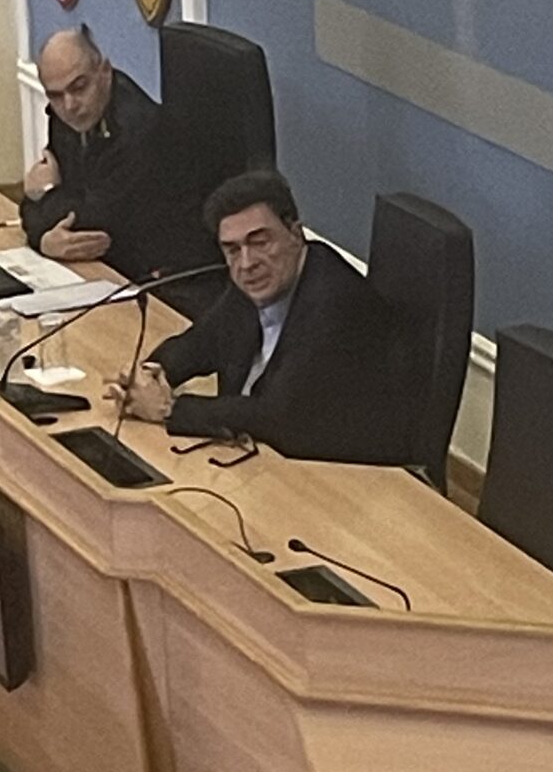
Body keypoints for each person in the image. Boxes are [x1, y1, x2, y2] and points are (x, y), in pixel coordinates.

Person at [110, 167, 416, 464]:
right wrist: (151, 374)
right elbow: (203, 341)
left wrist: (169, 409)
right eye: (232, 249)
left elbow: (279, 416)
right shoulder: (257, 279)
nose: (246, 262)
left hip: (343, 472)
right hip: (256, 456)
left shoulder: (334, 301)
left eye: (260, 242)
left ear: (295, 234)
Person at [21, 23, 209, 284]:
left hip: (158, 273)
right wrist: (43, 239)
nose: (69, 105)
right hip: (103, 265)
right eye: (55, 95)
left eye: (79, 87)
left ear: (105, 72)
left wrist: (43, 193)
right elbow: (63, 214)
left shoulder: (141, 130)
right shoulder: (65, 116)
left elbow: (91, 224)